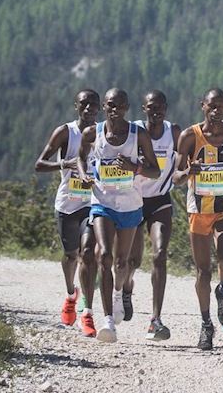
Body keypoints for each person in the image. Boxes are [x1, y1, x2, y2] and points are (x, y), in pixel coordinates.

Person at [77, 88, 163, 344]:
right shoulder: (93, 132)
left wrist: (134, 167)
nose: (116, 110)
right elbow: (81, 157)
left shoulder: (139, 135)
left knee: (122, 263)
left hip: (130, 205)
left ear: (128, 108)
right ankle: (108, 321)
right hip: (102, 202)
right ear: (104, 106)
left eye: (121, 106)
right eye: (111, 105)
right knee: (104, 255)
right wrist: (83, 174)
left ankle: (117, 295)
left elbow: (155, 171)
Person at [174, 88, 223, 351]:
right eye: (211, 106)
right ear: (202, 105)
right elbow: (175, 176)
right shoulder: (189, 137)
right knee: (203, 271)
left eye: (221, 106)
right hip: (199, 209)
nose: (216, 111)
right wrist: (186, 172)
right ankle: (206, 324)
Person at [33, 88, 100, 337]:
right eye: (84, 103)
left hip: (93, 203)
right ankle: (71, 295)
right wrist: (65, 163)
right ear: (76, 106)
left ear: (100, 107)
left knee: (87, 254)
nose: (89, 108)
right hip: (67, 203)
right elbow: (39, 164)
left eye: (93, 103)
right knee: (70, 255)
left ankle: (87, 312)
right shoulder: (66, 132)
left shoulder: (103, 133)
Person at [122, 89, 178, 340]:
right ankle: (126, 287)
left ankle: (155, 319)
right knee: (131, 261)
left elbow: (190, 152)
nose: (156, 112)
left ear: (166, 108)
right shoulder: (133, 130)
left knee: (160, 255)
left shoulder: (172, 132)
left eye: (160, 107)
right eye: (150, 108)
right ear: (143, 109)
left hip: (160, 200)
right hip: (133, 199)